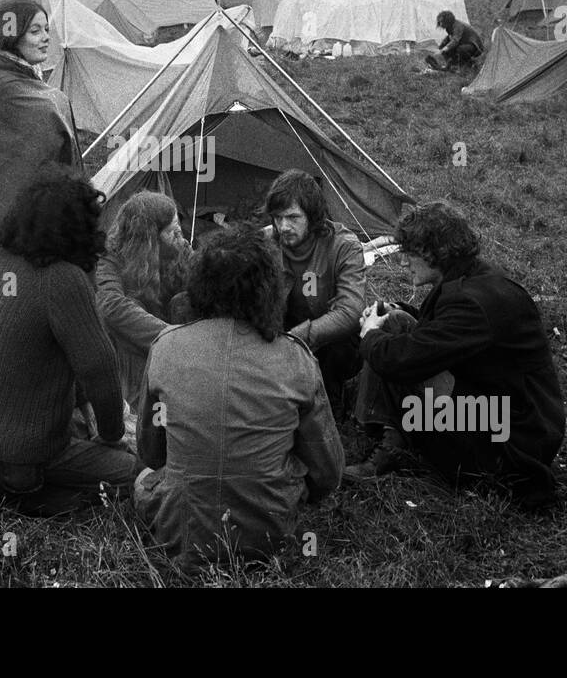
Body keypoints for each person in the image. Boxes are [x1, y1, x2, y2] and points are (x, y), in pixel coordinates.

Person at [135, 227, 344, 569]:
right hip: (270, 537)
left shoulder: (166, 347)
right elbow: (328, 472)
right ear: (270, 290)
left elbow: (151, 452)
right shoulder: (297, 358)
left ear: (199, 284)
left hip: (181, 538)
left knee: (143, 481)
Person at [345, 202, 565, 507]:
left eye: (409, 254)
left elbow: (402, 361)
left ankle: (392, 443)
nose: (403, 264)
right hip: (504, 411)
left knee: (390, 344)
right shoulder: (476, 279)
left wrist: (370, 334)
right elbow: (438, 334)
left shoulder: (471, 302)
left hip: (511, 445)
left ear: (434, 253)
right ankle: (392, 437)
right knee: (395, 323)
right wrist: (398, 312)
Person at [0, 165, 138, 516]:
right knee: (137, 473)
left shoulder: (6, 260)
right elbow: (100, 369)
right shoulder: (62, 279)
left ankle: (17, 484)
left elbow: (72, 359)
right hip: (27, 454)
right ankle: (30, 495)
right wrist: (114, 435)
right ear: (78, 229)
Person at [0, 0, 80, 298]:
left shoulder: (21, 80)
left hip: (39, 210)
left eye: (46, 30)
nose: (45, 39)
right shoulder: (5, 89)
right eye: (34, 31)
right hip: (20, 214)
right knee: (22, 297)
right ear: (11, 35)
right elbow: (19, 163)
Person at [262, 169, 365, 419]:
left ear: (313, 215)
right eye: (277, 217)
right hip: (280, 328)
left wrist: (300, 336)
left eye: (293, 217)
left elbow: (351, 310)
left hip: (325, 337)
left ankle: (330, 404)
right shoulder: (266, 241)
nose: (283, 226)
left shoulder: (344, 245)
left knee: (339, 347)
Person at [96, 191, 193, 416]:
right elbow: (110, 306)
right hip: (138, 358)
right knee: (126, 310)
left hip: (179, 353)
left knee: (185, 300)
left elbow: (209, 285)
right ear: (150, 239)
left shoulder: (181, 249)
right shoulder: (110, 258)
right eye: (171, 232)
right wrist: (173, 338)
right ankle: (141, 410)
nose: (179, 235)